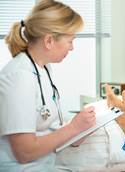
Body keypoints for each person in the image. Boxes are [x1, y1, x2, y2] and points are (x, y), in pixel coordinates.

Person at [0, 0, 96, 171]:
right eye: (70, 41)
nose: (72, 48)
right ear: (49, 41)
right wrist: (73, 128)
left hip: (46, 162)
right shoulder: (19, 77)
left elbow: (45, 128)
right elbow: (24, 152)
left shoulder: (42, 68)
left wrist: (76, 133)